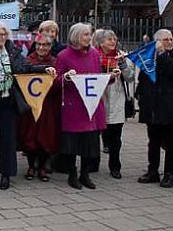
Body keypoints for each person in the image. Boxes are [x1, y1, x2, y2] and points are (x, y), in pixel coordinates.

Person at [0, 21, 55, 190]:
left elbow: (26, 68)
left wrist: (45, 69)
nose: (3, 37)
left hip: (8, 100)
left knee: (8, 139)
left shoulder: (13, 52)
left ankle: (6, 174)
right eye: (0, 34)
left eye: (5, 34)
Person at [54, 23, 106, 190]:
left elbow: (98, 77)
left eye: (89, 34)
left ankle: (85, 174)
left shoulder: (94, 54)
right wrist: (66, 78)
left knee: (89, 143)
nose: (88, 38)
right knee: (72, 144)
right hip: (73, 106)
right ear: (75, 36)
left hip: (90, 105)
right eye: (85, 35)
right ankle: (72, 174)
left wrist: (110, 77)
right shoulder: (63, 56)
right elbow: (56, 81)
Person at [136, 29, 173, 188]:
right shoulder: (149, 57)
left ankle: (170, 173)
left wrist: (163, 54)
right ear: (157, 41)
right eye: (165, 40)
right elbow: (143, 78)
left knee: (172, 143)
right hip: (153, 107)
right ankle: (153, 171)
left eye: (171, 39)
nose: (170, 42)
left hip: (171, 107)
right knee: (154, 141)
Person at [17, 33, 61, 182]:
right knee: (30, 135)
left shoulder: (55, 62)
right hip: (31, 104)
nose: (41, 48)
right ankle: (31, 166)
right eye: (38, 45)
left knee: (46, 136)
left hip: (48, 105)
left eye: (45, 45)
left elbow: (59, 84)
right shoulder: (28, 61)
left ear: (50, 47)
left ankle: (42, 167)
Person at [93, 29, 135, 179]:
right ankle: (93, 163)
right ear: (101, 42)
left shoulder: (122, 56)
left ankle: (115, 166)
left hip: (117, 99)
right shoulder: (94, 56)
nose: (112, 42)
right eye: (109, 39)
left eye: (114, 39)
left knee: (115, 138)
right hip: (99, 98)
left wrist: (123, 64)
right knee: (94, 134)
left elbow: (130, 78)